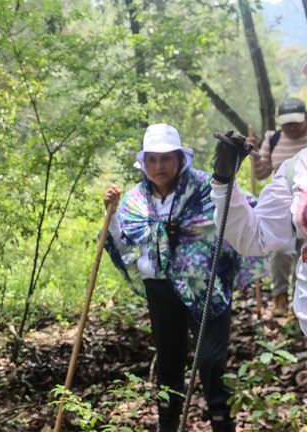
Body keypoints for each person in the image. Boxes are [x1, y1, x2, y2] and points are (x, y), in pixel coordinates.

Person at [104, 124, 264, 432]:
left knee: (211, 361)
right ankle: (168, 424)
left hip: (204, 288)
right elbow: (125, 244)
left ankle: (222, 422)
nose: (159, 166)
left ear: (180, 159)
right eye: (152, 159)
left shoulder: (207, 186)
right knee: (169, 363)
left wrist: (228, 179)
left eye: (166, 158)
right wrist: (110, 215)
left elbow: (239, 215)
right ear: (144, 162)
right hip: (160, 289)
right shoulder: (135, 200)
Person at [211, 130, 307, 337]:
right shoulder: (297, 169)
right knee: (283, 255)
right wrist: (223, 179)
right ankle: (280, 297)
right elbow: (255, 237)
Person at [251, 97, 307, 313]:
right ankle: (280, 297)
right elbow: (262, 172)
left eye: (295, 122)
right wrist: (255, 153)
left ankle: (299, 303)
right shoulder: (273, 139)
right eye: (286, 123)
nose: (291, 127)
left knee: (302, 256)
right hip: (281, 205)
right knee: (281, 251)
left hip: (304, 206)